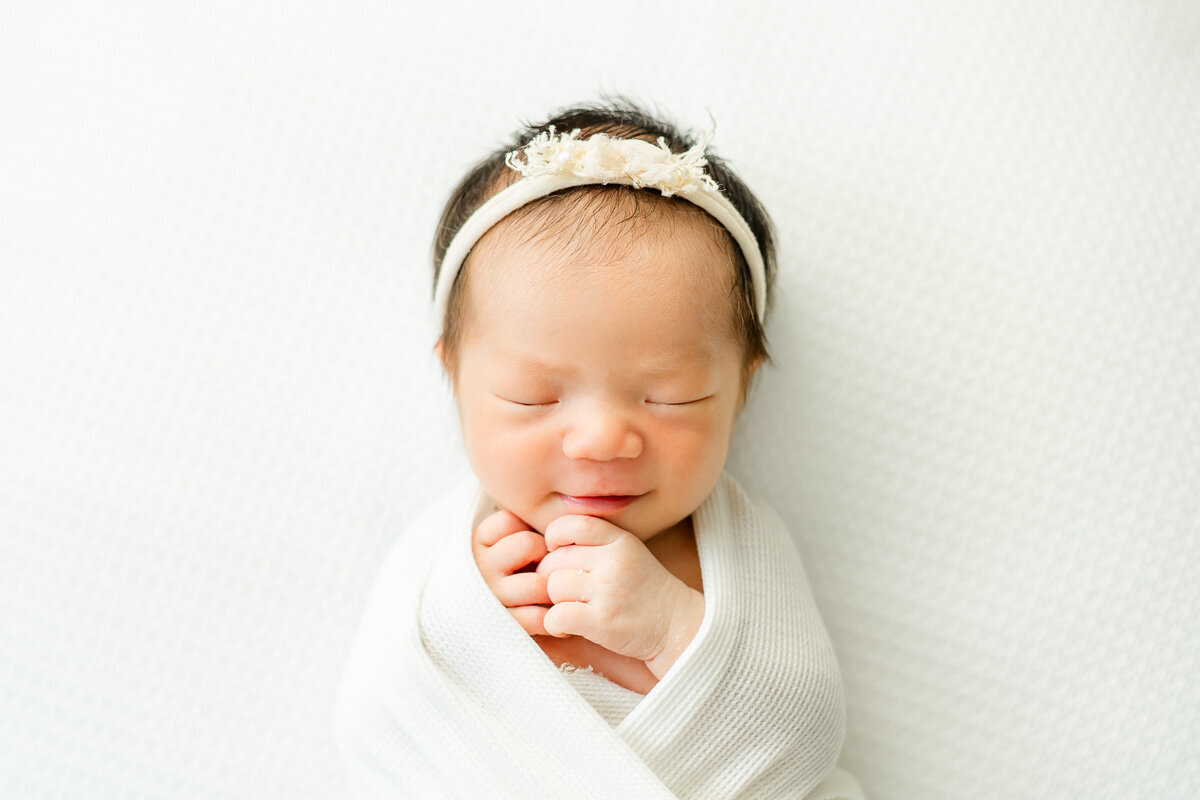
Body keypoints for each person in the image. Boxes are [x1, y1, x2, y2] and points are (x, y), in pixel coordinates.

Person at [334, 97, 864, 799]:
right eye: (532, 395)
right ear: (454, 376)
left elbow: (805, 727)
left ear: (742, 387)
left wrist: (673, 629)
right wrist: (464, 629)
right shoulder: (444, 568)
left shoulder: (738, 551)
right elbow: (374, 725)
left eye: (670, 396)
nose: (602, 439)